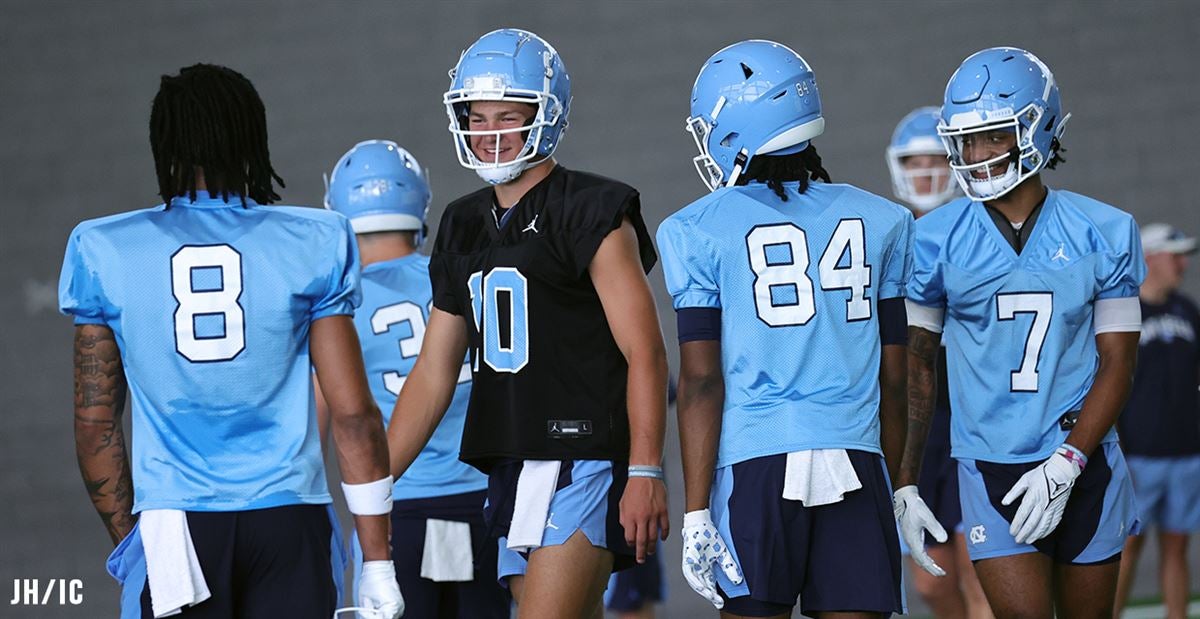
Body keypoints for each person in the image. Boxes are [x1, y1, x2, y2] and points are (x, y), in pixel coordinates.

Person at [59, 63, 401, 619]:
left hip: (175, 523)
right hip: (289, 517)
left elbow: (95, 423)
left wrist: (132, 542)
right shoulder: (313, 239)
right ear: (251, 136)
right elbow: (354, 414)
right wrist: (378, 562)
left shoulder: (104, 249)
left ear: (163, 142)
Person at [384, 29, 670, 619]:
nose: (489, 134)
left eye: (507, 117)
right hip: (511, 459)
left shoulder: (592, 209)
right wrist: (375, 481)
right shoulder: (462, 222)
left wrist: (644, 469)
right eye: (477, 117)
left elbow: (646, 351)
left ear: (547, 116)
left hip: (584, 455)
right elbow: (435, 372)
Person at [659, 39, 911, 618]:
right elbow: (895, 379)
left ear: (734, 129)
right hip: (858, 454)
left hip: (756, 463)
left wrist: (697, 508)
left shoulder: (696, 229)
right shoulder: (883, 219)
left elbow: (700, 382)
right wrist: (902, 483)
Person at [896, 47, 1145, 619]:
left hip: (1084, 457)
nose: (977, 155)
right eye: (966, 141)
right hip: (989, 463)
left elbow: (1118, 363)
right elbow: (917, 365)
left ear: (1037, 128)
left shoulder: (1103, 230)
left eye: (992, 137)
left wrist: (1069, 462)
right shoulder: (933, 239)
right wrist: (905, 481)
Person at [319, 139, 510, 618]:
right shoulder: (467, 278)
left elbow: (315, 421)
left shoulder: (337, 303)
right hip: (483, 501)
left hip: (395, 508)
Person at [886, 107, 991, 619]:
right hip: (913, 423)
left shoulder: (981, 230)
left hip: (974, 413)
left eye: (935, 159)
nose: (925, 172)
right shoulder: (887, 235)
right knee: (932, 582)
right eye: (914, 160)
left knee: (983, 570)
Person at [1113, 223, 1199, 619]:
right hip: (1138, 458)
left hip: (1186, 454)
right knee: (1127, 547)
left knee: (1178, 545)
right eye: (1174, 254)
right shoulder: (1125, 315)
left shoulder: (1187, 311)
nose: (1182, 263)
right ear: (1150, 258)